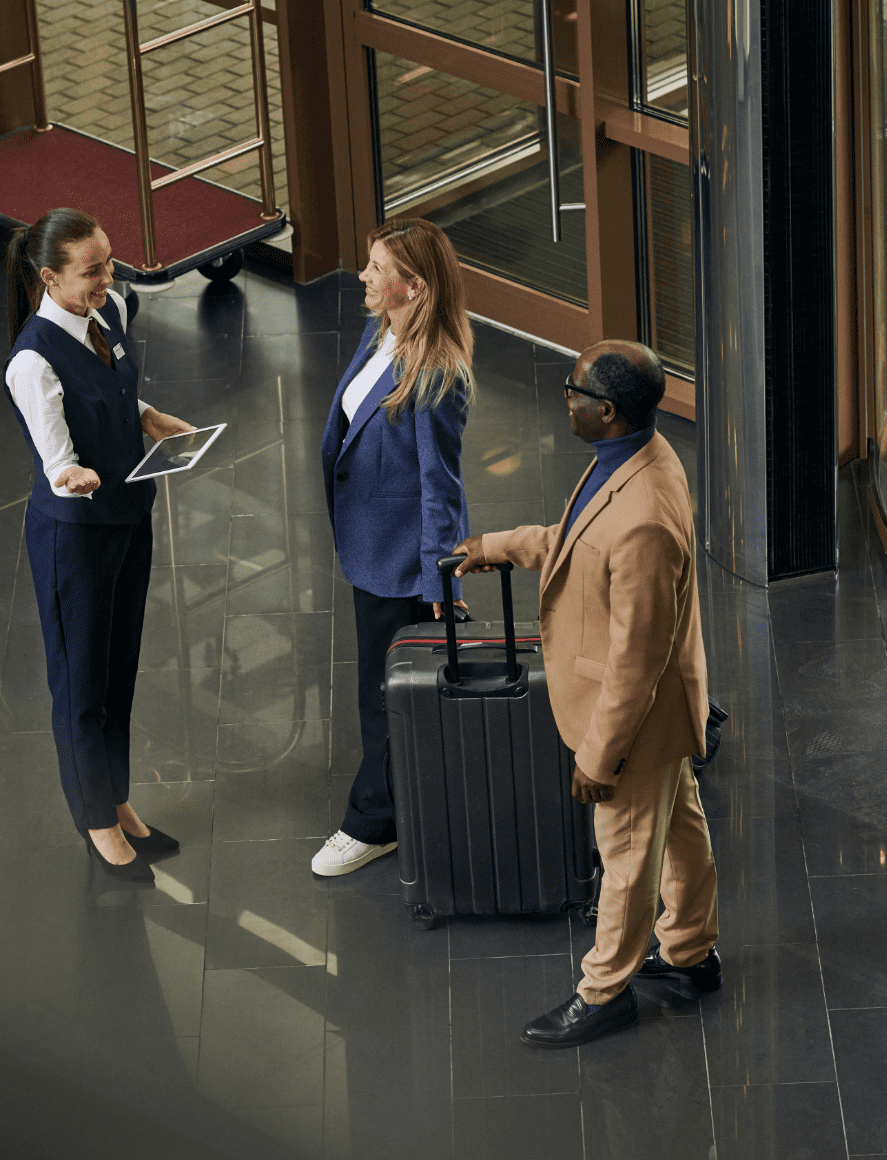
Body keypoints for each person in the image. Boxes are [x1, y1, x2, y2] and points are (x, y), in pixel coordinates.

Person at [451, 340, 720, 1048]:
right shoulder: (635, 459)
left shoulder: (645, 518)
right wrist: (497, 545)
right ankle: (689, 954)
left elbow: (636, 659)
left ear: (604, 410)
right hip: (660, 719)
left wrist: (598, 758)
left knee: (627, 855)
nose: (562, 400)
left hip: (631, 722)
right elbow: (575, 542)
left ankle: (603, 993)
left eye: (570, 390)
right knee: (680, 831)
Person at [4, 207, 197, 885]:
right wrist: (71, 473)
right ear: (49, 278)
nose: (108, 278)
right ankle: (95, 819)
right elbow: (57, 458)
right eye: (92, 271)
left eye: (108, 263)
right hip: (76, 537)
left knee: (118, 671)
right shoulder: (32, 361)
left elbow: (114, 391)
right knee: (81, 682)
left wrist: (146, 416)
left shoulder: (106, 312)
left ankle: (114, 795)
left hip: (126, 514)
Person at [311, 219, 474, 877]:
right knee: (381, 689)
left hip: (402, 561)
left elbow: (443, 489)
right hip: (370, 544)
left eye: (377, 268)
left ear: (415, 285)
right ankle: (405, 799)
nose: (364, 276)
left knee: (383, 696)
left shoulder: (435, 375)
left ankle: (372, 823)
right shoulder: (380, 334)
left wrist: (441, 582)